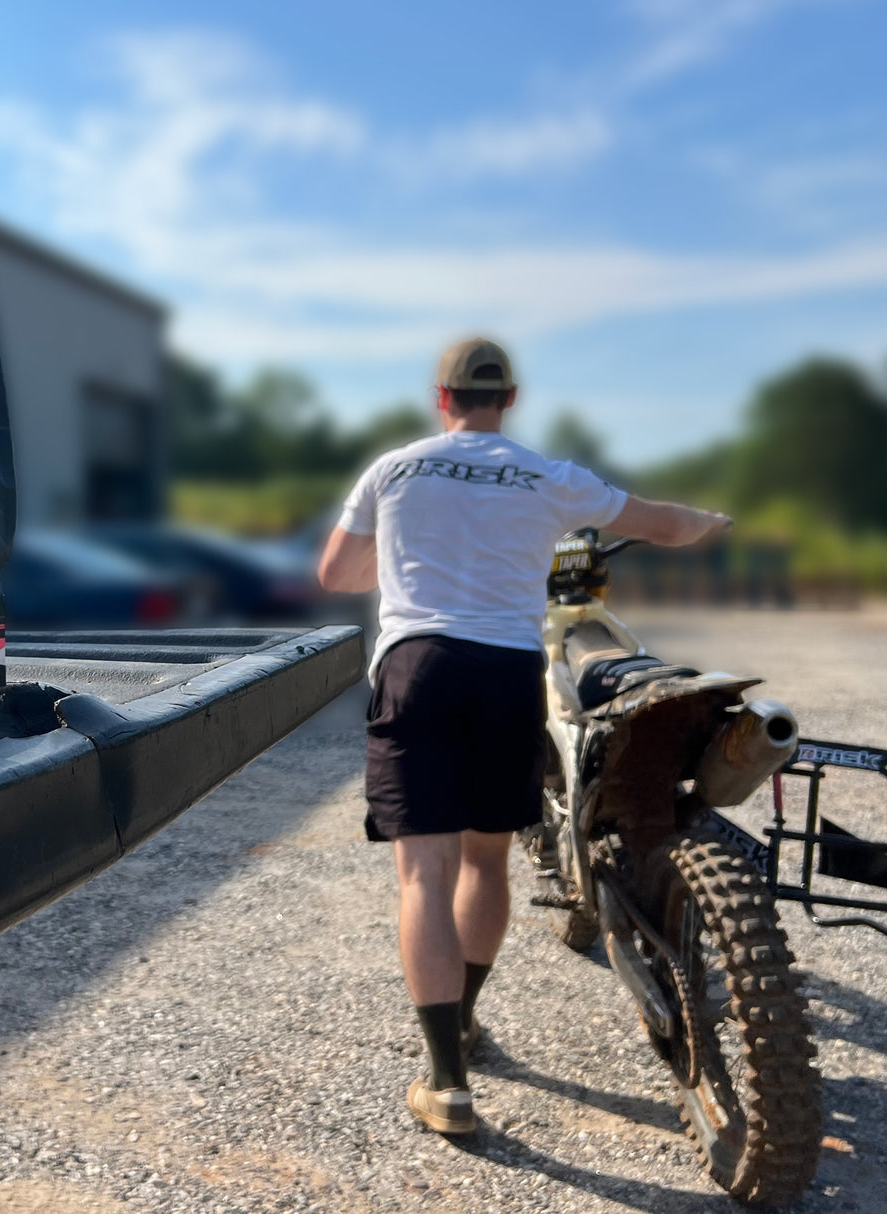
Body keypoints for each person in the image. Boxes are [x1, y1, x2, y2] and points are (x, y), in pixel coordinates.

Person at [316, 337, 730, 1135]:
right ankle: (467, 1016)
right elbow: (664, 524)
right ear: (509, 399)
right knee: (484, 858)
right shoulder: (547, 475)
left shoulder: (393, 469)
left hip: (418, 667)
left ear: (442, 398)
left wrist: (399, 566)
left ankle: (448, 1080)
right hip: (506, 672)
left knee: (423, 875)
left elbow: (336, 574)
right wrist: (707, 522)